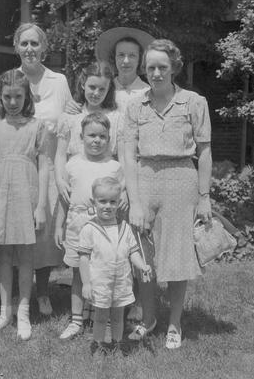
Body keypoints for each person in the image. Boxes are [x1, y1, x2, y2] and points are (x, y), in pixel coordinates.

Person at [123, 39, 212, 349]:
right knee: (143, 255)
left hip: (181, 181)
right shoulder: (135, 105)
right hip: (144, 179)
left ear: (174, 67)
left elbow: (204, 151)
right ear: (144, 70)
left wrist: (204, 196)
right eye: (151, 67)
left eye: (162, 67)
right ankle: (149, 318)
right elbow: (127, 154)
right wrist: (134, 201)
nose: (156, 73)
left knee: (176, 255)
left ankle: (174, 322)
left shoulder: (194, 102)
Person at [0, 23, 74, 315]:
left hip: (47, 164)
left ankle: (43, 292)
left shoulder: (59, 81)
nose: (29, 49)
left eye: (34, 44)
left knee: (44, 235)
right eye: (24, 43)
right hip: (16, 165)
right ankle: (12, 298)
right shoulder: (5, 80)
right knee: (15, 230)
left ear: (44, 47)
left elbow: (69, 116)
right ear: (16, 47)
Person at [0, 69, 50, 340]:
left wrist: (41, 204)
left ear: (26, 96)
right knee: (4, 255)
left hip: (26, 193)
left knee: (26, 255)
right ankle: (4, 311)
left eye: (18, 96)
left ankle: (23, 312)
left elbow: (44, 166)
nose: (12, 101)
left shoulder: (36, 126)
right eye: (7, 96)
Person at [95, 27, 155, 323]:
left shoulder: (148, 92)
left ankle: (139, 301)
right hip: (107, 168)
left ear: (140, 59)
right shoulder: (107, 88)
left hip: (137, 169)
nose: (126, 61)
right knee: (110, 234)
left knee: (136, 236)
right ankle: (107, 298)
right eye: (121, 55)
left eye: (132, 55)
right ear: (114, 58)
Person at [54, 113, 125, 340]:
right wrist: (58, 226)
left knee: (103, 273)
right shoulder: (72, 164)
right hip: (77, 223)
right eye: (91, 135)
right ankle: (76, 319)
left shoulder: (114, 167)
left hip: (104, 228)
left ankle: (97, 317)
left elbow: (119, 203)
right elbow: (64, 199)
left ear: (109, 139)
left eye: (102, 136)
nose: (97, 140)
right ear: (81, 137)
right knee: (78, 273)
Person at [78, 177, 152, 354]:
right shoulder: (89, 228)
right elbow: (83, 259)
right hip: (100, 283)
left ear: (119, 203)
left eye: (112, 202)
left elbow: (132, 252)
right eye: (102, 201)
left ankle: (117, 344)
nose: (107, 206)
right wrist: (86, 283)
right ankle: (98, 344)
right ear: (93, 201)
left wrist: (142, 265)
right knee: (101, 317)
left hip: (120, 282)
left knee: (118, 317)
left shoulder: (124, 227)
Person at [54, 61, 120, 204]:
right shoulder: (70, 117)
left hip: (106, 192)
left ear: (109, 89)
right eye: (92, 87)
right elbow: (60, 155)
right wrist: (59, 180)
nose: (96, 93)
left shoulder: (116, 118)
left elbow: (123, 158)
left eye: (102, 89)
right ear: (83, 84)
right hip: (75, 186)